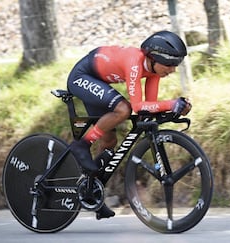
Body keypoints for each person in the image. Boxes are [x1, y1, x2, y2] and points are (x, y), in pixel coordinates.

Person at [67, 30, 192, 220]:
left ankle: (92, 193)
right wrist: (170, 104)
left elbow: (148, 109)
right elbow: (136, 107)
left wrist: (175, 109)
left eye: (175, 65)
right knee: (123, 109)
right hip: (82, 77)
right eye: (169, 64)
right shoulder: (134, 62)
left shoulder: (154, 72)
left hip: (98, 81)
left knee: (109, 143)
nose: (172, 70)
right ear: (154, 58)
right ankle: (81, 145)